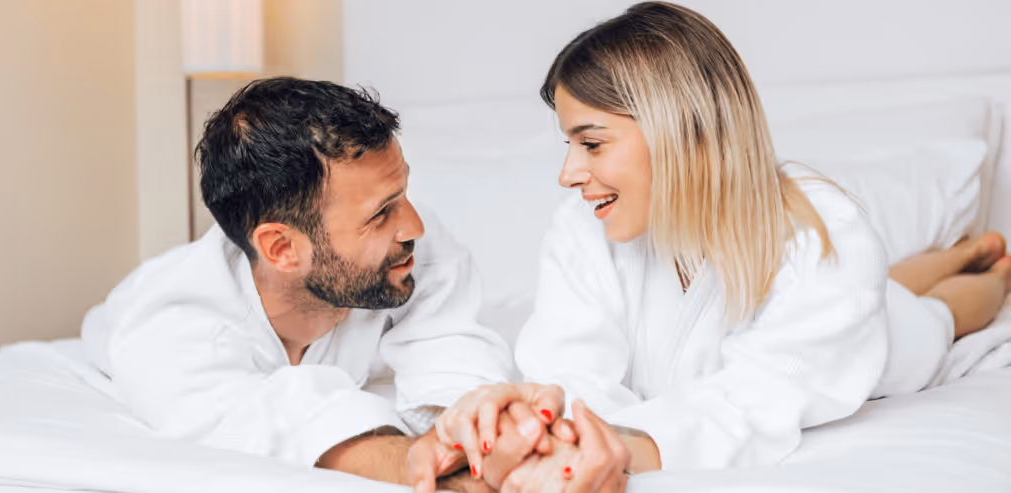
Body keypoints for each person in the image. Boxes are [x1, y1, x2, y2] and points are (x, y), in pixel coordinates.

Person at [431, 3, 1011, 492]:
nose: (568, 173)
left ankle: (985, 267)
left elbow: (758, 399)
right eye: (569, 145)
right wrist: (562, 431)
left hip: (877, 338)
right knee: (890, 286)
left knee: (932, 314)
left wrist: (626, 445)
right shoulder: (582, 228)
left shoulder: (822, 228)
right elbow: (571, 366)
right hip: (840, 302)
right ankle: (948, 258)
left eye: (591, 143)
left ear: (679, 128)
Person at [80, 77, 514, 491]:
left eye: (403, 195)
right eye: (380, 213)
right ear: (282, 248)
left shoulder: (411, 247)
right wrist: (439, 469)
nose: (413, 225)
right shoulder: (172, 332)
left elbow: (450, 349)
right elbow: (280, 423)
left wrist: (485, 430)